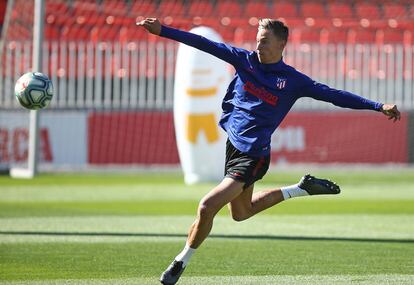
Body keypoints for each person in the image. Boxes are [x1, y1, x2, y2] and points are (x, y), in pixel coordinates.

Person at [137, 18, 401, 285]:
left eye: (264, 40)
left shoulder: (292, 80)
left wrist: (378, 106)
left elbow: (334, 95)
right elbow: (202, 44)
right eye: (257, 39)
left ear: (281, 44)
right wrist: (162, 31)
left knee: (207, 206)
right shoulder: (245, 60)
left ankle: (181, 262)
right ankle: (301, 188)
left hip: (254, 156)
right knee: (241, 213)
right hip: (234, 148)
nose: (258, 45)